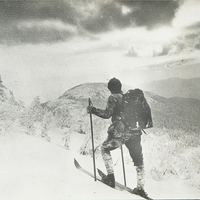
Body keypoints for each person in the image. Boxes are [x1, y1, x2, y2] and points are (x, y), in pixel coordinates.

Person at [87, 77, 149, 198]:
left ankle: (110, 177)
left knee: (105, 148)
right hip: (135, 133)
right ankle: (140, 188)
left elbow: (107, 114)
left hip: (121, 134)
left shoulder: (113, 97)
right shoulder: (129, 98)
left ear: (110, 89)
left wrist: (93, 110)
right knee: (138, 160)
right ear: (120, 87)